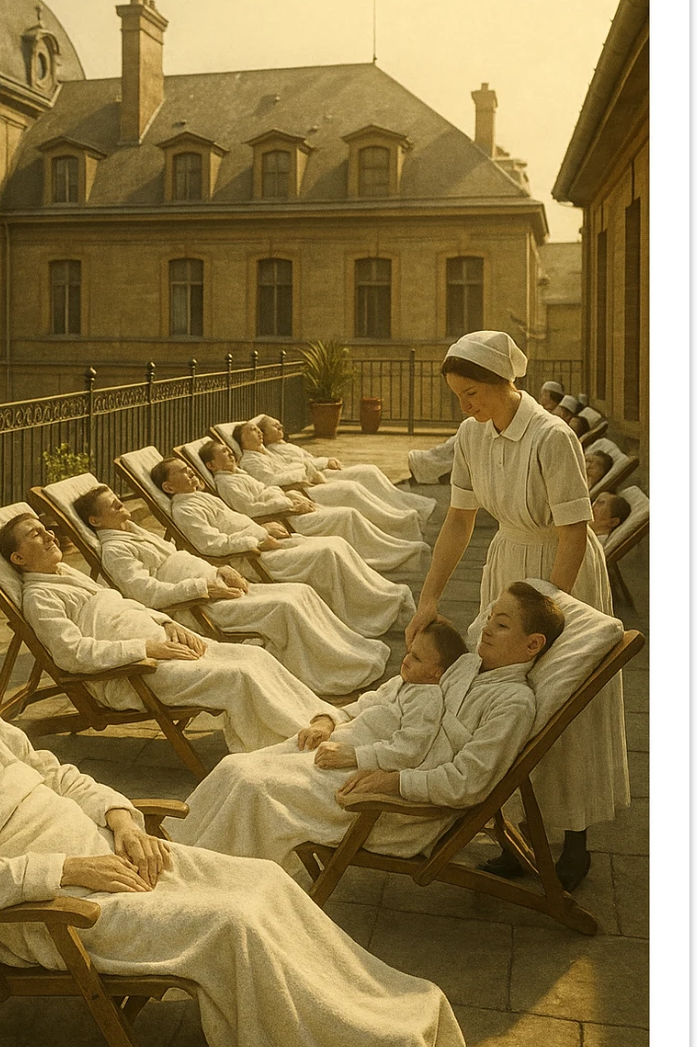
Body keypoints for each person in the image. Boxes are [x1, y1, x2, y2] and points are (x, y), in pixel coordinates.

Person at [0, 617, 465, 1047]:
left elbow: (56, 775)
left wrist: (121, 818)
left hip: (105, 854)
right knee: (232, 922)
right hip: (52, 908)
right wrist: (71, 871)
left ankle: (381, 1015)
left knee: (265, 883)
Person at [403, 329, 629, 891]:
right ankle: (512, 829)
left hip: (560, 574)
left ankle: (574, 842)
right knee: (499, 698)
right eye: (458, 395)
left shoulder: (552, 437)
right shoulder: (471, 435)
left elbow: (574, 530)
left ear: (503, 384)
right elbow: (458, 521)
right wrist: (429, 598)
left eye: (471, 393)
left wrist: (551, 612)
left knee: (560, 700)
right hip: (508, 566)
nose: (465, 405)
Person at [170, 584, 560, 873]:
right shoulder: (464, 667)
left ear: (532, 645)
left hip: (398, 808)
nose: (488, 629)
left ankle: (206, 877)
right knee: (236, 767)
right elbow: (388, 695)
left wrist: (390, 783)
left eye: (503, 624)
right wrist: (330, 718)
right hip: (363, 760)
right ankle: (172, 851)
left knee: (255, 788)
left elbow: (466, 782)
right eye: (491, 617)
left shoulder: (512, 703)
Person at [0, 511, 341, 754]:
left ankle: (318, 718)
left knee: (254, 655)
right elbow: (73, 654)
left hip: (162, 645)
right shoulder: (40, 598)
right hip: (131, 674)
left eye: (46, 529)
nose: (49, 534)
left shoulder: (65, 574)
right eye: (35, 534)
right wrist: (147, 648)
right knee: (238, 675)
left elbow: (123, 603)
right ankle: (296, 744)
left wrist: (167, 623)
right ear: (19, 558)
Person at [75, 484, 388, 695]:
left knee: (299, 593)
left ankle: (344, 656)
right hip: (194, 605)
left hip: (215, 584)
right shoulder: (115, 550)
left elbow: (180, 557)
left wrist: (218, 570)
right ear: (95, 520)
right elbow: (147, 593)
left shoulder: (132, 532)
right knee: (285, 605)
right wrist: (204, 586)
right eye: (114, 506)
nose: (124, 507)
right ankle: (324, 673)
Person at [150, 455, 415, 637]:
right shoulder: (185, 509)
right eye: (183, 471)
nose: (191, 472)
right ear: (168, 486)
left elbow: (237, 520)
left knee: (335, 544)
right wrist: (257, 539)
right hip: (247, 557)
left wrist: (262, 529)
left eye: (189, 467)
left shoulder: (200, 497)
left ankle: (379, 600)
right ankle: (372, 612)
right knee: (327, 552)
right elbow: (211, 544)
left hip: (263, 541)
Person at [204, 439, 428, 574]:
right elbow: (251, 509)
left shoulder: (238, 474)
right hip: (282, 516)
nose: (230, 453)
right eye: (223, 452)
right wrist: (288, 503)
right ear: (212, 465)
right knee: (346, 515)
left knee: (347, 512)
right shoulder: (227, 482)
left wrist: (290, 497)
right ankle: (385, 555)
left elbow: (267, 489)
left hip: (289, 504)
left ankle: (391, 546)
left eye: (228, 449)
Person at [235, 420, 430, 544]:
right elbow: (271, 481)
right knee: (351, 489)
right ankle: (394, 523)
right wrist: (305, 470)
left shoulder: (264, 452)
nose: (258, 433)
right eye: (252, 431)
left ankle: (397, 516)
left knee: (364, 474)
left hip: (307, 481)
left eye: (258, 429)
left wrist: (309, 468)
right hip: (301, 489)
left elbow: (291, 464)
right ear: (242, 441)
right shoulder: (250, 460)